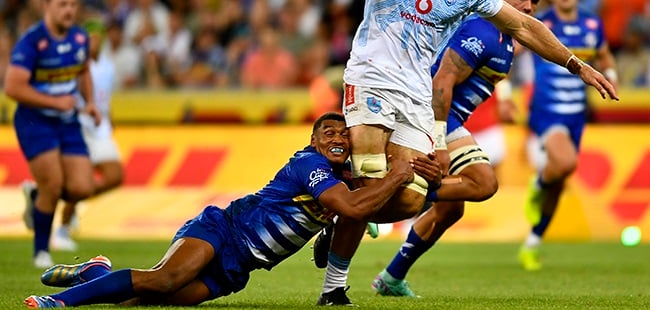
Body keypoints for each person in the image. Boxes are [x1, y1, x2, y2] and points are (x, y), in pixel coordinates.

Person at [312, 0, 617, 305]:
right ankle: (334, 289)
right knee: (369, 179)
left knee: (408, 197)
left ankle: (339, 213)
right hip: (371, 76)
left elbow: (525, 28)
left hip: (416, 93)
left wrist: (577, 65)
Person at [24, 112, 441, 308]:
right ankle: (59, 303)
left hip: (239, 267)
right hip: (224, 229)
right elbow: (352, 205)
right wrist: (398, 175)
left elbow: (355, 206)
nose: (337, 138)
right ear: (314, 141)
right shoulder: (308, 164)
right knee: (165, 277)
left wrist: (429, 180)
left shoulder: (344, 177)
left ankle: (95, 270)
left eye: (343, 135)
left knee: (149, 299)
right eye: (327, 132)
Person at [370, 0, 542, 297]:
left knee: (451, 207)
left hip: (450, 120)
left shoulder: (507, 39)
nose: (528, 6)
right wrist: (438, 141)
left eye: (534, 1)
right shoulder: (483, 29)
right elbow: (441, 83)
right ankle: (379, 200)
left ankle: (391, 278)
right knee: (483, 183)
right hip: (430, 118)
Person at [519, 0, 618, 271]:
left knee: (560, 181)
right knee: (565, 163)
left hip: (577, 114)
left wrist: (610, 74)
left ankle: (533, 242)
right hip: (547, 111)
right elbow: (514, 51)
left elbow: (603, 55)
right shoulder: (541, 23)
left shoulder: (592, 24)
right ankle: (537, 185)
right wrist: (507, 93)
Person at [4, 0, 101, 268]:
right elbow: (12, 87)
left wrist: (91, 101)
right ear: (47, 7)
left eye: (72, 4)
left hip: (67, 121)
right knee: (54, 183)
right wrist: (54, 102)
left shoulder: (80, 38)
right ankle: (41, 252)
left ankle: (37, 196)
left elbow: (83, 71)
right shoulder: (32, 41)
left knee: (83, 188)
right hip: (35, 120)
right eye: (62, 4)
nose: (69, 10)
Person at [51, 18, 124, 251]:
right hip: (79, 125)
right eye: (91, 36)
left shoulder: (108, 66)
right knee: (79, 178)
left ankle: (57, 199)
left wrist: (110, 119)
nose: (95, 41)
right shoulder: (74, 65)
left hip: (100, 128)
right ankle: (61, 229)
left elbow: (105, 97)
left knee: (115, 176)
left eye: (98, 36)